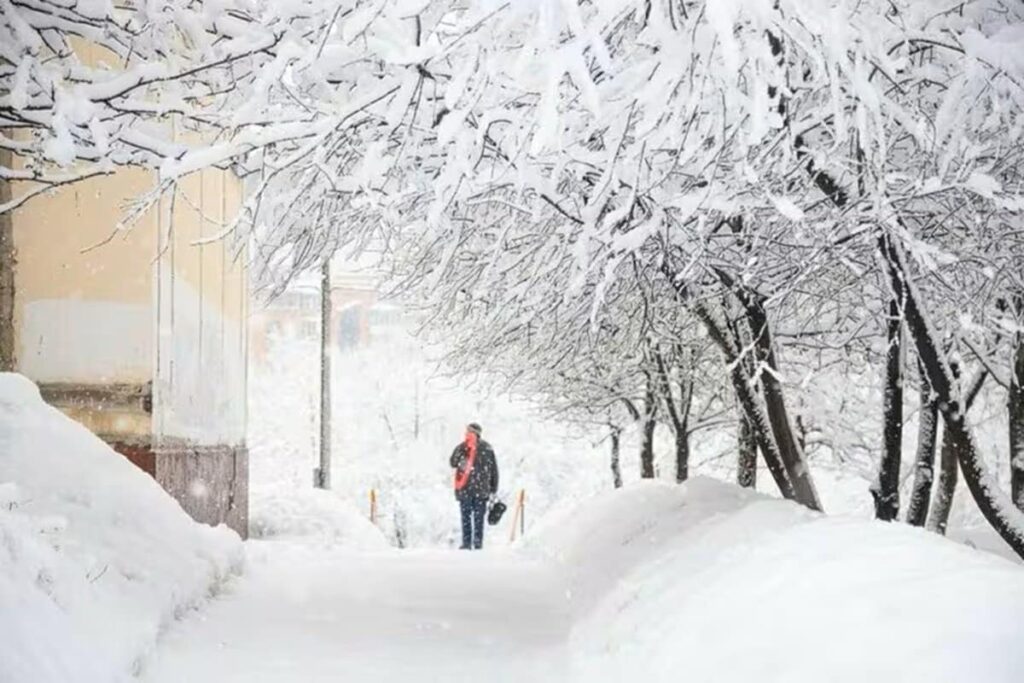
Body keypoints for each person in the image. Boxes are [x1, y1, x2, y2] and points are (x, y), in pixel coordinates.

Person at [449, 422, 499, 550]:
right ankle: (477, 543)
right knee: (478, 519)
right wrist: (493, 489)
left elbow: (453, 462)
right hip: (481, 490)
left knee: (466, 517)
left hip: (466, 489)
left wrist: (461, 449)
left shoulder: (463, 447)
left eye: (468, 431)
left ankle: (467, 543)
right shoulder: (487, 448)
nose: (466, 433)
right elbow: (494, 470)